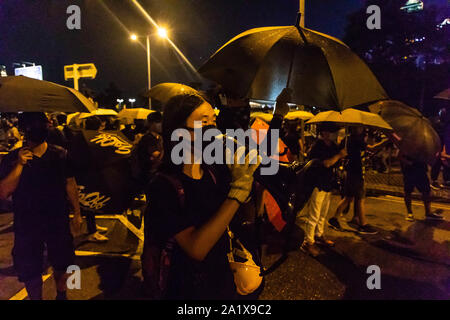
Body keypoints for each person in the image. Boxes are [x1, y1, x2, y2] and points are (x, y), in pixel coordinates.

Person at [143, 93, 261, 299]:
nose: (212, 130)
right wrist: (238, 191)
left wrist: (248, 179)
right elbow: (196, 248)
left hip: (221, 279)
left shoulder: (214, 171)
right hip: (186, 288)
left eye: (213, 121)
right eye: (203, 122)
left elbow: (241, 216)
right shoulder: (163, 185)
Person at [0, 112, 82, 300]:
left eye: (43, 124)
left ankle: (63, 295)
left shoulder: (60, 154)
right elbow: (4, 192)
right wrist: (19, 165)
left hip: (57, 219)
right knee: (29, 268)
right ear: (24, 130)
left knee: (64, 263)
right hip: (27, 222)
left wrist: (77, 213)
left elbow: (71, 183)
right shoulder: (12, 158)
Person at [300, 123, 347, 256]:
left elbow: (335, 163)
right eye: (332, 131)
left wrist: (341, 156)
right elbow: (326, 163)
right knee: (314, 215)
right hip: (317, 184)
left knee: (323, 214)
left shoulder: (332, 146)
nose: (335, 134)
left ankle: (319, 235)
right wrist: (339, 156)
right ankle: (308, 242)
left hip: (328, 184)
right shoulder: (317, 146)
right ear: (324, 133)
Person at [328, 126, 385, 235]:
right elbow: (372, 148)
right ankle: (363, 224)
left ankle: (334, 218)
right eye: (360, 127)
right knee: (360, 198)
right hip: (356, 173)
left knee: (348, 198)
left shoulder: (349, 139)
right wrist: (386, 141)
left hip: (351, 172)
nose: (362, 128)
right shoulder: (355, 139)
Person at [399, 153, 443, 221]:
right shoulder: (406, 143)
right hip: (409, 171)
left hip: (421, 170)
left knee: (426, 191)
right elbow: (399, 156)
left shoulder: (422, 143)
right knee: (408, 191)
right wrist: (410, 163)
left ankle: (428, 212)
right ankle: (409, 213)